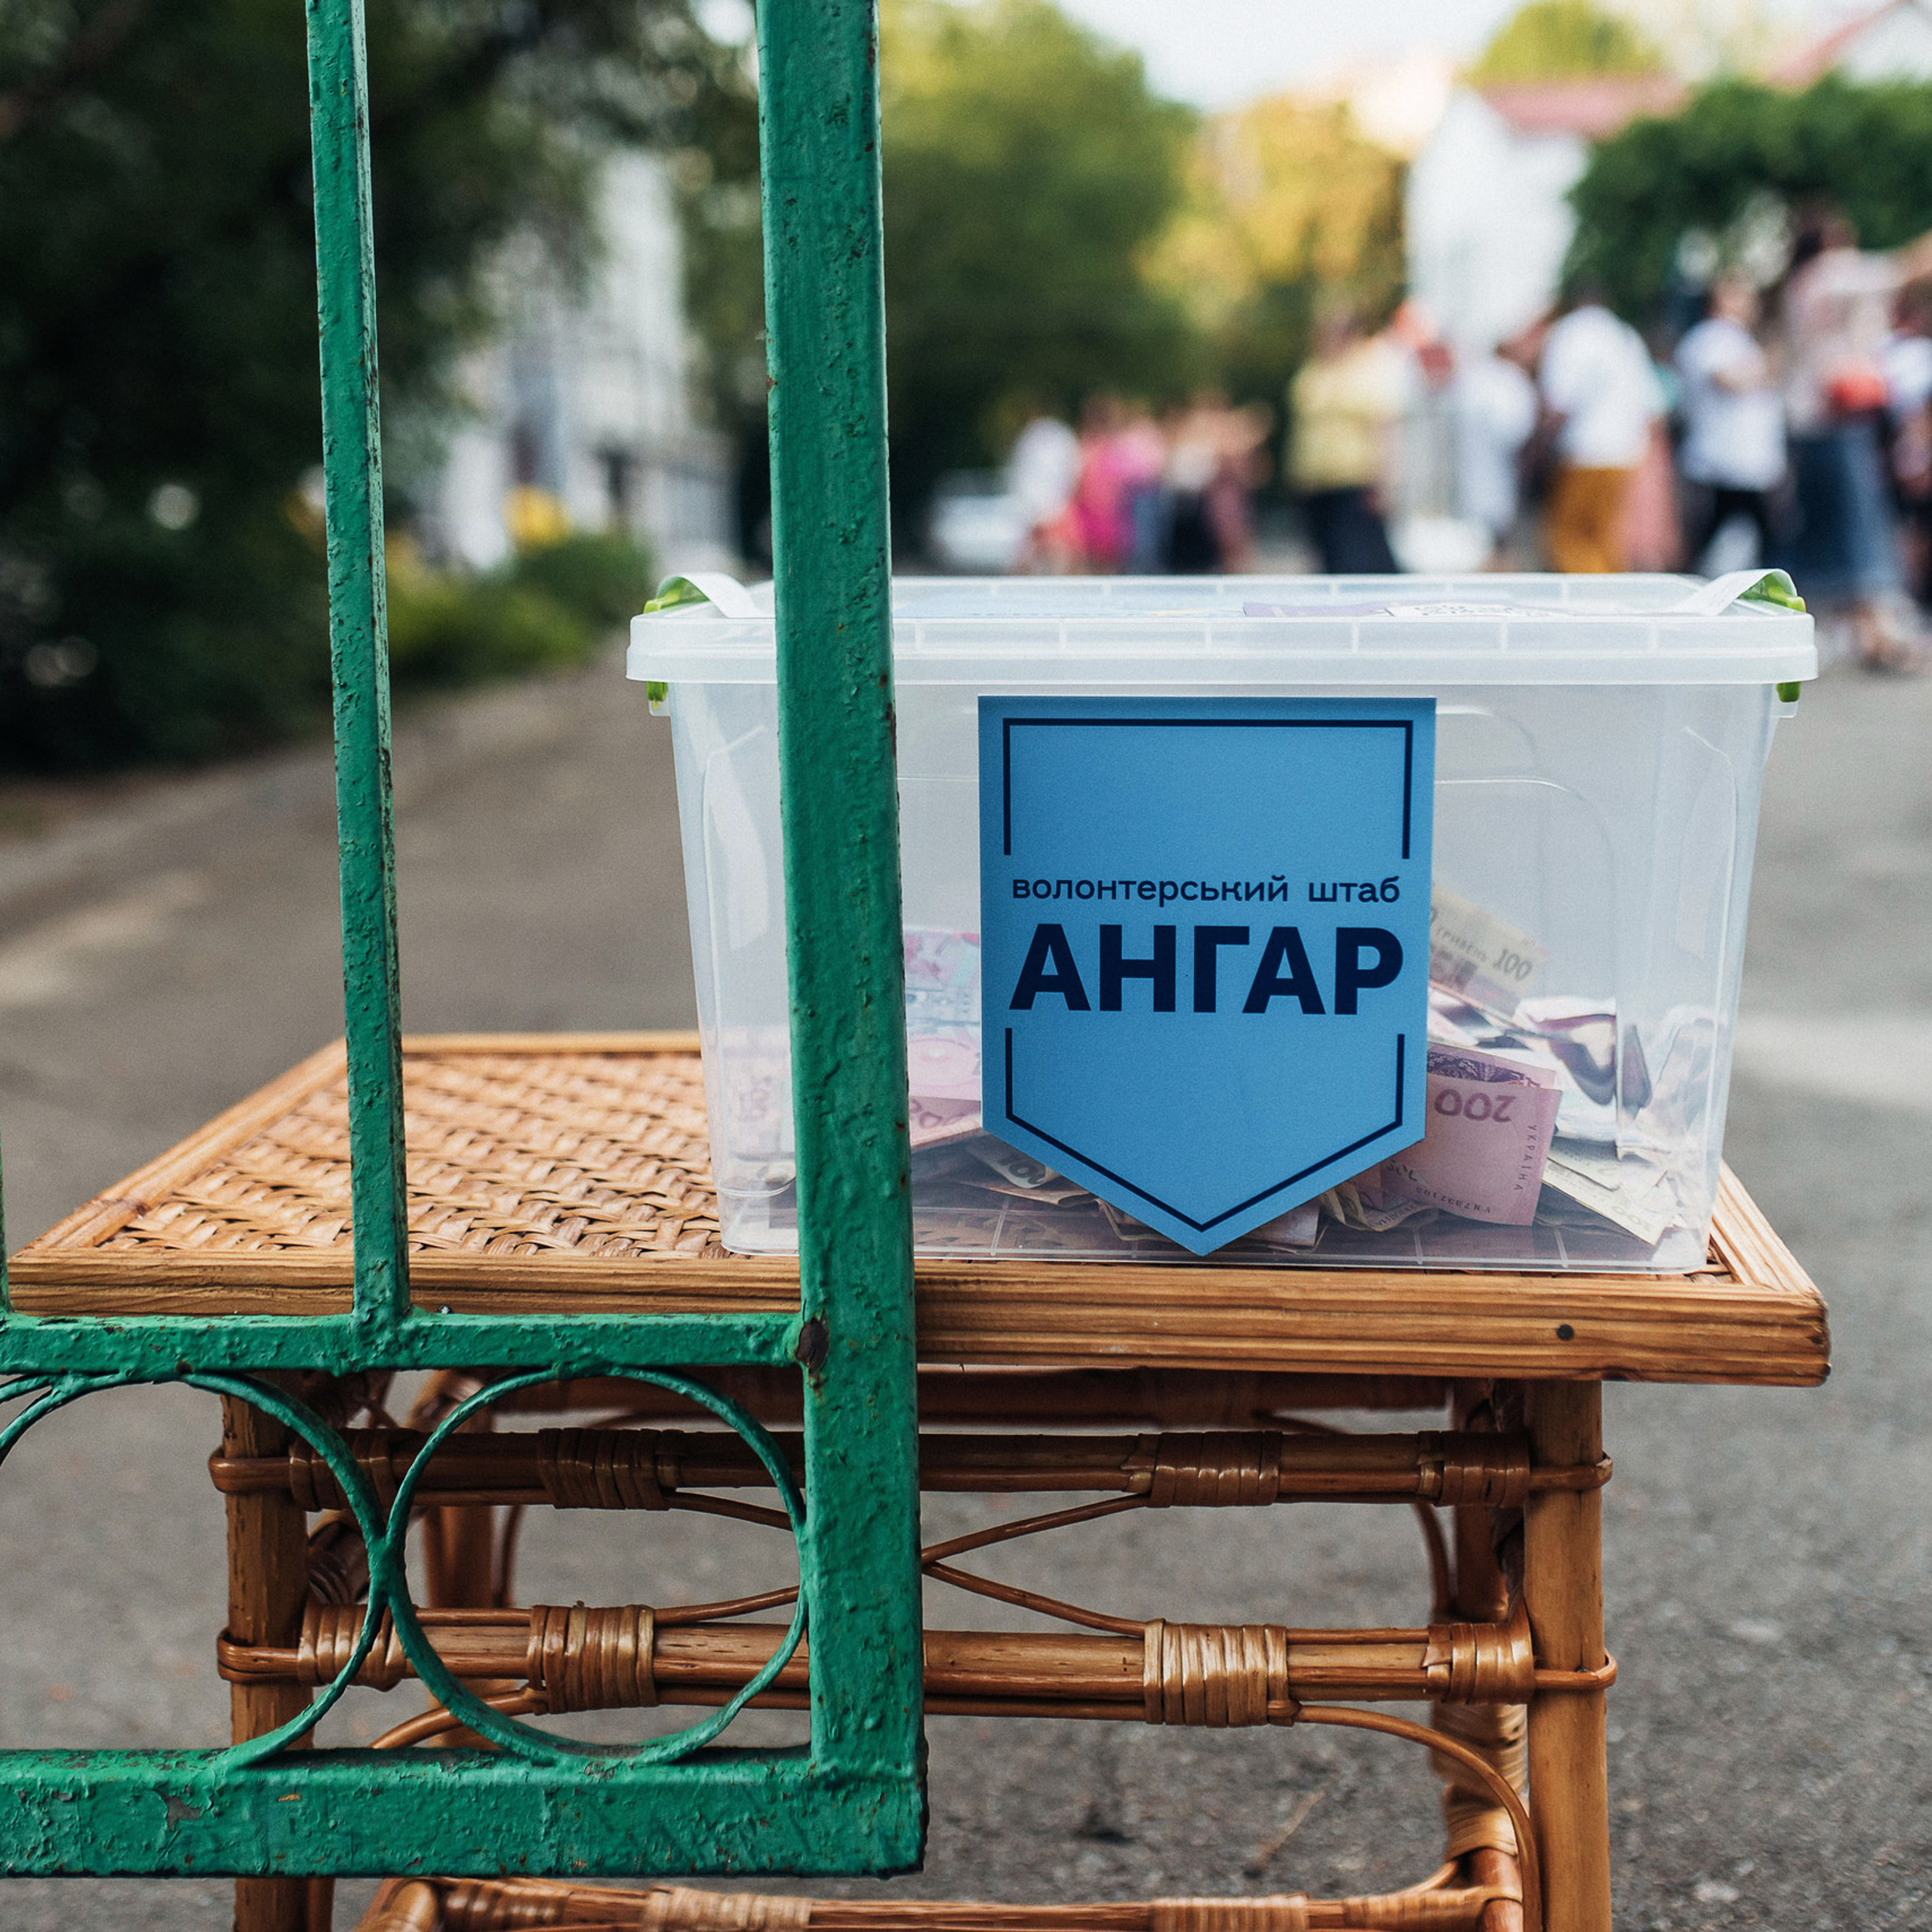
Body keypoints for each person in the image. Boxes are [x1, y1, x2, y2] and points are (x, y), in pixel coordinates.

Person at [1777, 205, 1932, 669]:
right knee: (1857, 529)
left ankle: (1868, 633)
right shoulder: (1827, 273)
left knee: (1835, 531)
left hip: (1816, 424)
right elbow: (1901, 267)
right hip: (1832, 422)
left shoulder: (1802, 283)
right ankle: (1875, 634)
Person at [1536, 289, 1663, 573]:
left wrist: (1539, 445)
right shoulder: (1625, 335)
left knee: (1569, 540)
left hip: (1583, 453)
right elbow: (1651, 405)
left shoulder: (1570, 333)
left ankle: (1589, 607)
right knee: (1606, 538)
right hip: (1625, 452)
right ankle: (1612, 602)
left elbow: (1558, 400)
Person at [1675, 275, 1786, 571]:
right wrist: (1771, 368)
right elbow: (1728, 381)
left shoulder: (1739, 340)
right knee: (1715, 544)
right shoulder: (1712, 337)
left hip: (1743, 466)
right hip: (1722, 464)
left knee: (1749, 542)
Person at [1288, 305, 1407, 574]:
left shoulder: (1367, 371)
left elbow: (1384, 428)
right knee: (1327, 559)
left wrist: (1385, 482)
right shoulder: (1313, 371)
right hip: (1318, 484)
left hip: (1356, 483)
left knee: (1358, 559)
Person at [1451, 346, 1538, 566]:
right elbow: (1517, 431)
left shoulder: (1473, 378)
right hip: (1494, 483)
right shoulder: (1505, 380)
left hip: (1488, 484)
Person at [1004, 406, 1080, 573]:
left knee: (1053, 554)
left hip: (1046, 505)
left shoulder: (1039, 438)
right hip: (1047, 505)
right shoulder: (1054, 437)